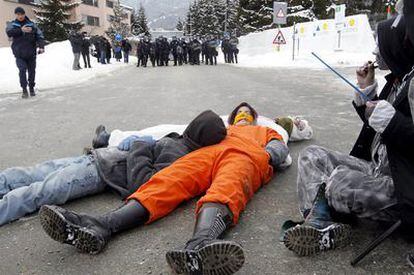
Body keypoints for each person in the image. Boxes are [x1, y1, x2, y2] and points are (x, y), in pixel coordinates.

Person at [39, 102, 289, 275]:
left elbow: (281, 147)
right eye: (239, 112)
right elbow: (171, 130)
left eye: (248, 112)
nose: (243, 115)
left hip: (246, 157)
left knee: (228, 186)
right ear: (233, 117)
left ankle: (200, 246)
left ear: (254, 117)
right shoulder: (223, 130)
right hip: (207, 154)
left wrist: (269, 155)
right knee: (167, 180)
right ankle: (101, 226)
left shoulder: (265, 131)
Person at [281, 12, 414, 258]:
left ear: (397, 46)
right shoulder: (397, 80)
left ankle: (324, 215)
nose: (374, 53)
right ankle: (318, 221)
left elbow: (394, 126)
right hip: (377, 170)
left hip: (402, 189)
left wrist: (392, 121)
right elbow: (380, 125)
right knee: (312, 155)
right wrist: (367, 93)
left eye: (379, 45)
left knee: (339, 182)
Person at [0, 111, 226, 227]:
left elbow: (143, 184)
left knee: (40, 190)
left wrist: (140, 146)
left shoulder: (179, 154)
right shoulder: (179, 142)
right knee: (33, 174)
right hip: (100, 158)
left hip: (99, 172)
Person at [6, 7, 45, 98]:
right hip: (19, 54)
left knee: (32, 72)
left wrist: (41, 46)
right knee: (22, 70)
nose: (20, 16)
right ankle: (24, 89)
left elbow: (40, 35)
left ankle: (31, 88)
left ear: (24, 14)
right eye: (18, 14)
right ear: (16, 15)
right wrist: (21, 30)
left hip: (31, 53)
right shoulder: (12, 24)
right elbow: (9, 33)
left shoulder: (32, 24)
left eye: (21, 14)